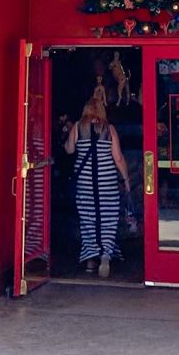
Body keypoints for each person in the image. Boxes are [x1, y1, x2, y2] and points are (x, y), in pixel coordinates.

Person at [64, 87, 130, 277]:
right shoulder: (109, 129)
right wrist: (125, 179)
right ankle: (106, 256)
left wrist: (67, 135)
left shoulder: (77, 126)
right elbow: (118, 158)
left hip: (85, 184)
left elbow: (69, 150)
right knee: (108, 219)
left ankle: (91, 260)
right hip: (107, 183)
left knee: (88, 220)